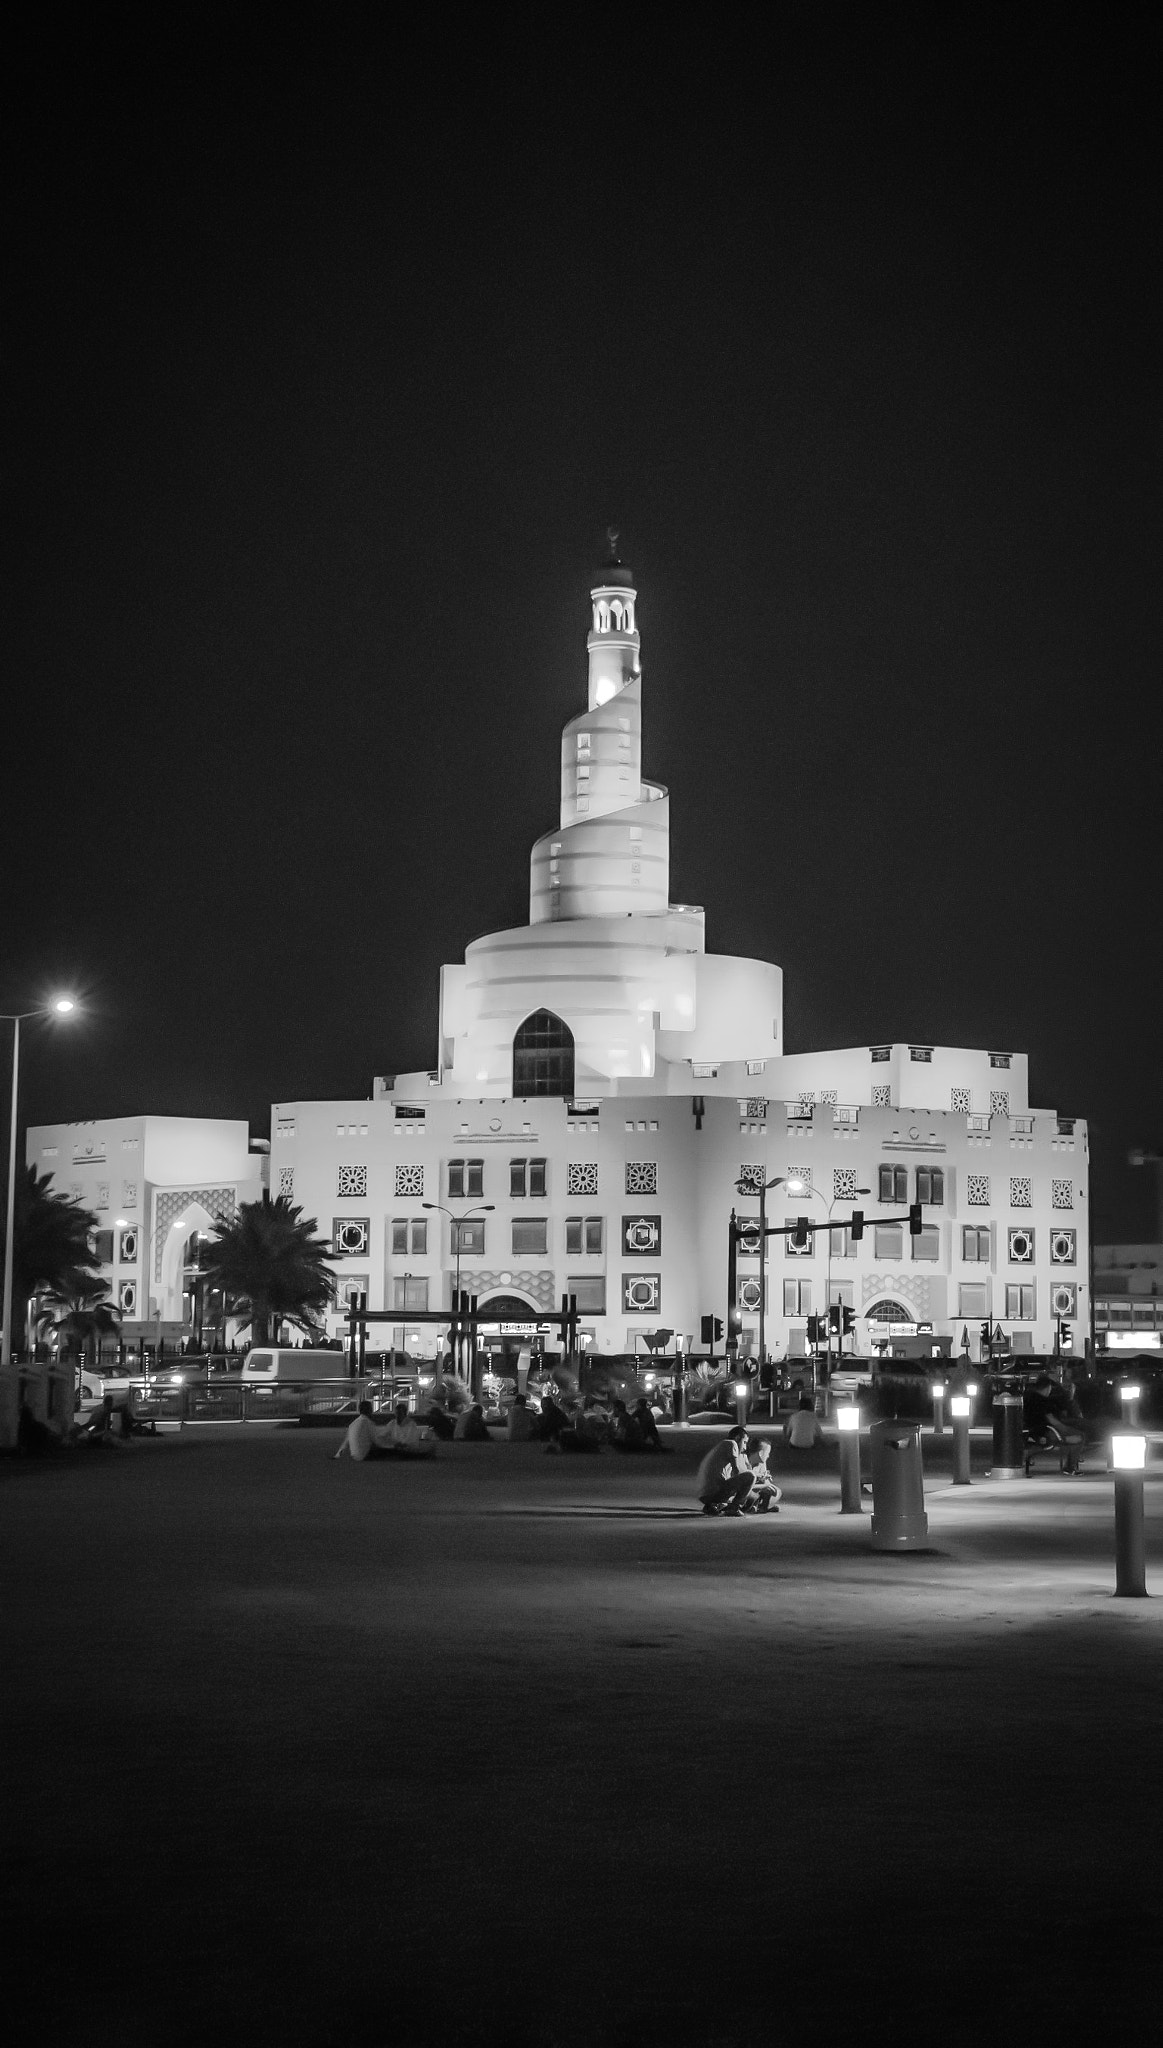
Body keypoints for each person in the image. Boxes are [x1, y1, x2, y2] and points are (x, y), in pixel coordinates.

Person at [696, 1425, 754, 1515]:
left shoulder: (722, 1446)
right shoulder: (731, 1443)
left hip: (704, 1494)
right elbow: (737, 1471)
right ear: (738, 1438)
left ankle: (712, 1506)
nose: (745, 1448)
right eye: (745, 1442)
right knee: (750, 1477)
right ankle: (733, 1507)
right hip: (713, 1492)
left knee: (749, 1492)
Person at [743, 1437, 782, 1512]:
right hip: (744, 1491)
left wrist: (765, 1481)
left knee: (777, 1491)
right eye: (767, 1453)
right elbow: (744, 1486)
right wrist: (764, 1486)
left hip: (757, 1489)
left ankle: (760, 1506)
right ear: (760, 1453)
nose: (768, 1456)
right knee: (752, 1494)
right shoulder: (743, 1461)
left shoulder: (761, 1463)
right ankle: (759, 1506)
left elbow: (766, 1483)